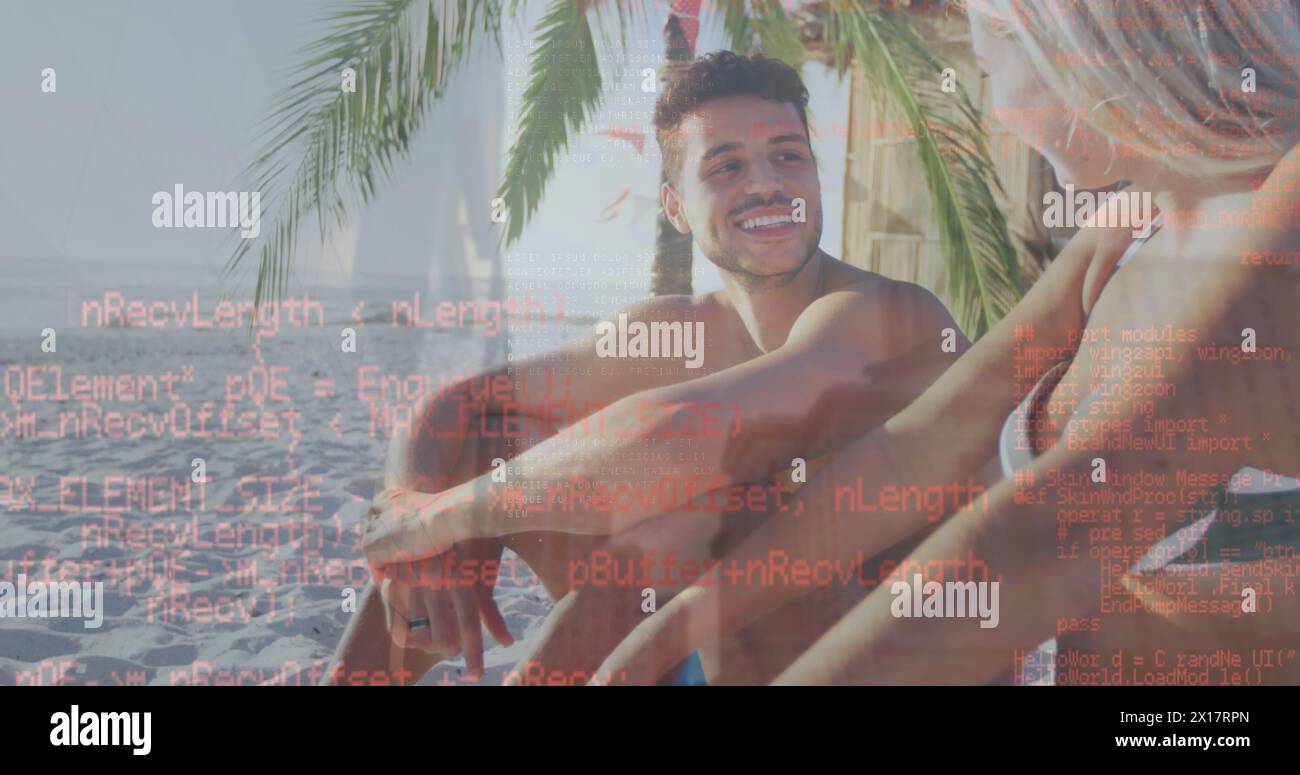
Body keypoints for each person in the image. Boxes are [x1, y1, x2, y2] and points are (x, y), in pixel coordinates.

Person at [596, 0, 1300, 685]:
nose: (995, 115)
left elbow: (1052, 533)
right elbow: (912, 454)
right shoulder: (1130, 228)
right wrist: (685, 617)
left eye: (992, 79)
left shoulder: (1283, 215)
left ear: (1069, 41)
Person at [326, 51, 966, 685]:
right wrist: (412, 533)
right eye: (726, 165)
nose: (767, 182)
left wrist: (440, 519)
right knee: (490, 442)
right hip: (695, 657)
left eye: (789, 154)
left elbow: (693, 427)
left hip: (883, 662)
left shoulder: (889, 317)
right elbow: (458, 404)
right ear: (676, 208)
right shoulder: (670, 332)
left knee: (698, 525)